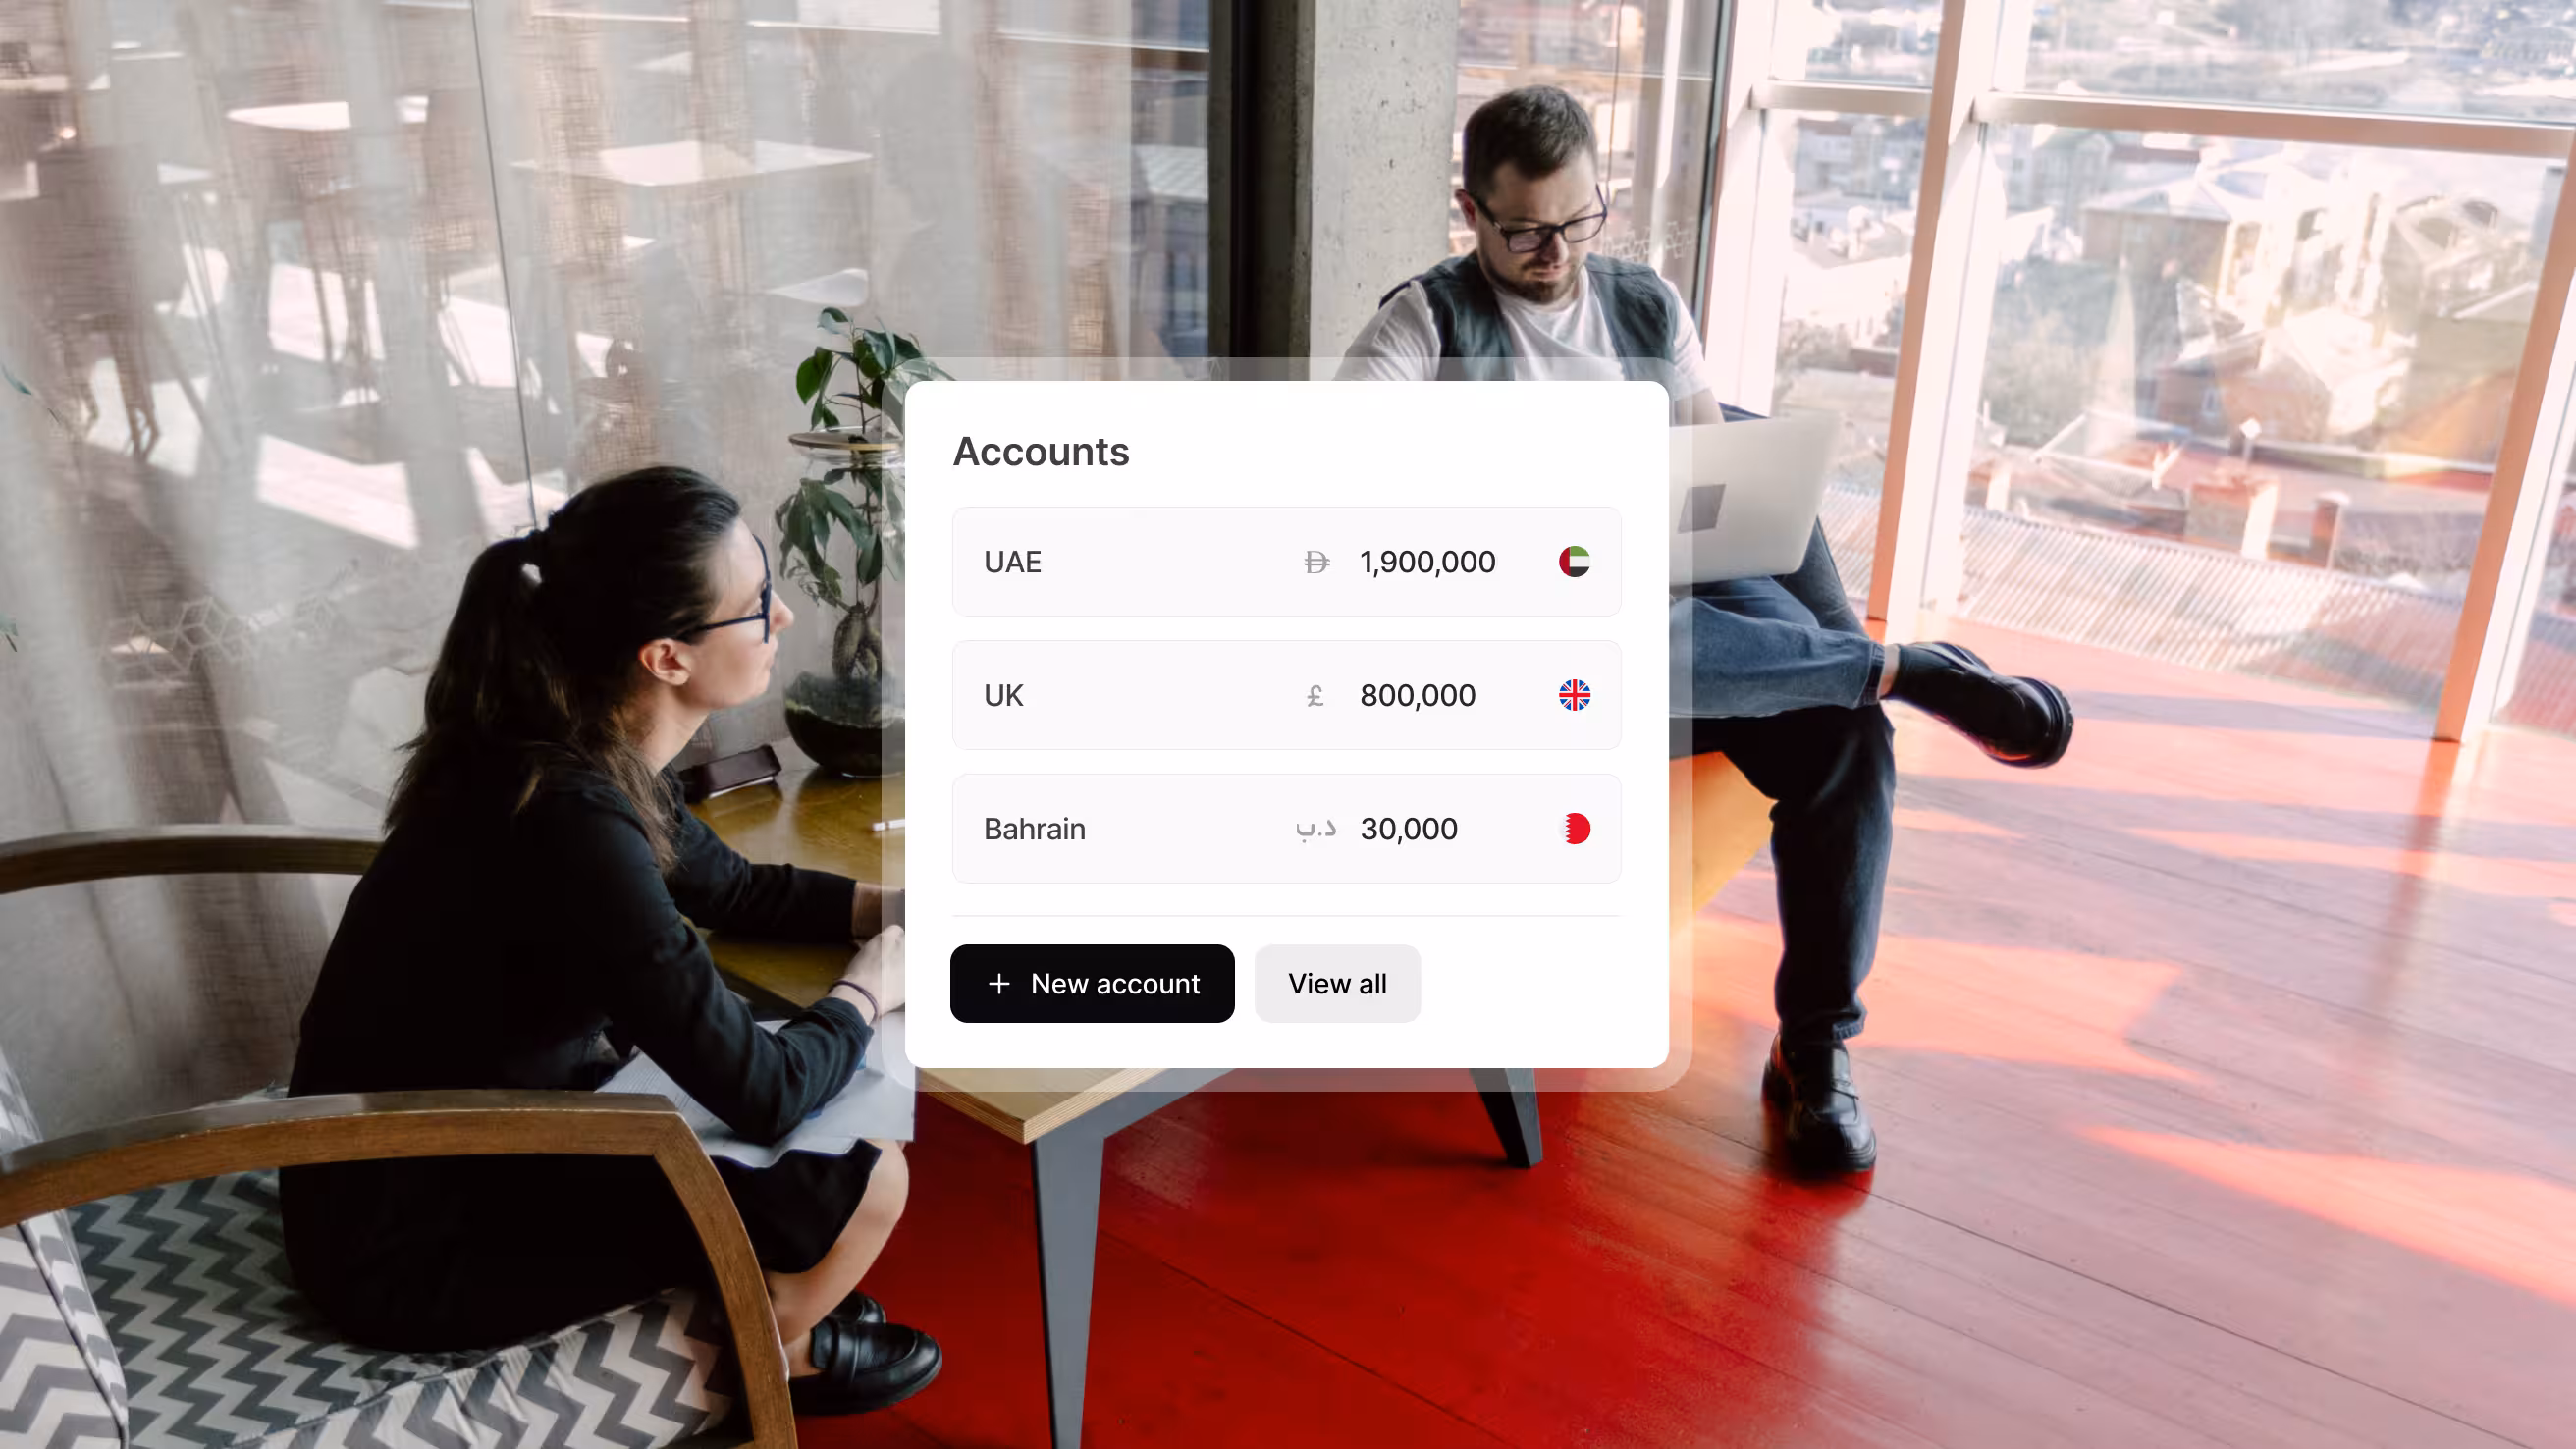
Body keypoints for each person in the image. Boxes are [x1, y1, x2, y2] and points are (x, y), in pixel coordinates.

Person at [1341, 86, 2075, 1174]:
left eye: (1578, 220)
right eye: (1525, 229)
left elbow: (1709, 482)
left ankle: (1813, 1052)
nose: (1555, 251)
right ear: (1469, 211)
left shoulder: (1645, 305)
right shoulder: (1425, 323)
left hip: (1686, 598)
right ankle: (1901, 667)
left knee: (1843, 738)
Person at [282, 466, 938, 1416]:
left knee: (811, 1141)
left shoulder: (560, 739)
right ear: (668, 658)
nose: (784, 619)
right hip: (413, 1241)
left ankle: (769, 1301)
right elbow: (764, 1094)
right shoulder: (571, 819)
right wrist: (868, 992)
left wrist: (897, 905)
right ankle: (770, 1352)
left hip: (458, 1144)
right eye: (756, 607)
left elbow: (734, 885)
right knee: (871, 1173)